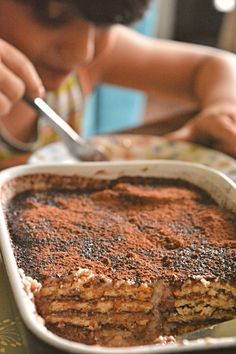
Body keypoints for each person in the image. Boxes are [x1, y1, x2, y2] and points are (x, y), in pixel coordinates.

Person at [0, 0, 236, 170]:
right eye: (54, 17)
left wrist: (224, 110)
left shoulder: (90, 61)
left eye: (105, 23)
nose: (83, 52)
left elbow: (216, 65)